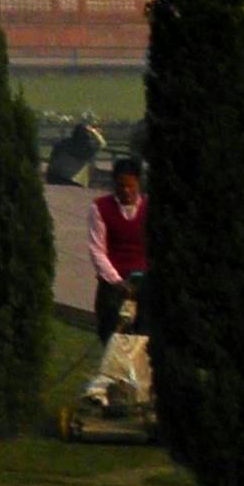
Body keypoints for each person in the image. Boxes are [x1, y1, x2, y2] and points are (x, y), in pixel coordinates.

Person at [82, 155, 151, 414]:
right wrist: (117, 280)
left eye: (131, 186)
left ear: (139, 184)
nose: (126, 191)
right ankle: (111, 393)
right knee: (112, 338)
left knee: (144, 339)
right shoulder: (100, 209)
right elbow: (97, 250)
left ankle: (142, 394)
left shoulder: (149, 209)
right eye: (121, 186)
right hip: (114, 284)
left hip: (145, 283)